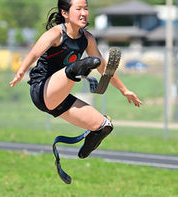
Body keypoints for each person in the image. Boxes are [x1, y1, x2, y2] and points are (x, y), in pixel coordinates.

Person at [9, 0, 142, 159]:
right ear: (65, 13)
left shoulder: (87, 38)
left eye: (86, 9)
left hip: (60, 98)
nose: (84, 13)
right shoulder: (56, 33)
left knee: (103, 125)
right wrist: (21, 71)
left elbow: (104, 69)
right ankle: (79, 69)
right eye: (78, 9)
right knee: (75, 68)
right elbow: (34, 53)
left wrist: (124, 90)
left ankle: (87, 146)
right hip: (41, 89)